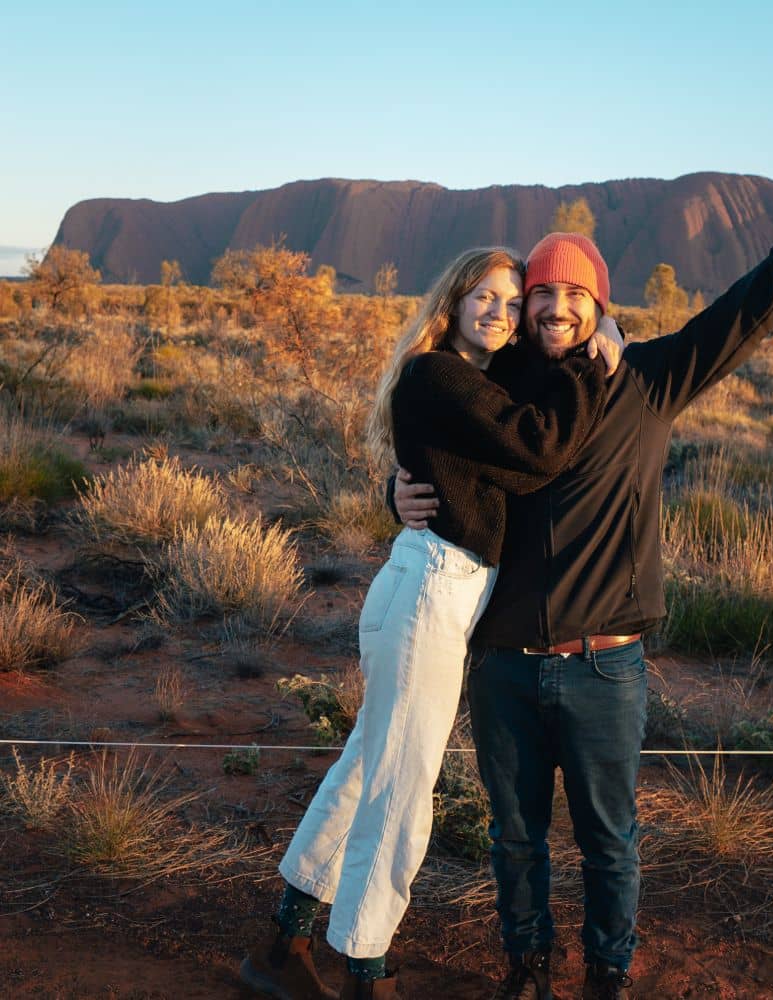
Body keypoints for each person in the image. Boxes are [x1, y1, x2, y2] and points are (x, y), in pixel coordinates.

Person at [394, 135, 773, 1000]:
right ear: (526, 302)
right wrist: (398, 494)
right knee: (513, 838)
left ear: (599, 304)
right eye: (543, 293)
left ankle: (608, 977)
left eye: (576, 294)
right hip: (502, 661)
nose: (556, 308)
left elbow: (749, 308)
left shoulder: (647, 379)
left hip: (605, 664)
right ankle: (526, 966)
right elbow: (431, 441)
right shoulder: (496, 389)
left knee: (610, 841)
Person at [239, 246, 622, 1000]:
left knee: (365, 769)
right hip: (428, 594)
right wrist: (593, 369)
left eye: (513, 304)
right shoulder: (438, 374)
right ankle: (364, 969)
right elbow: (536, 447)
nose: (500, 313)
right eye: (485, 296)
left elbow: (508, 458)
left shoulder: (474, 381)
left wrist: (401, 492)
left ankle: (280, 947)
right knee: (401, 791)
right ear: (453, 299)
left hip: (433, 588)